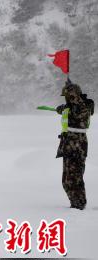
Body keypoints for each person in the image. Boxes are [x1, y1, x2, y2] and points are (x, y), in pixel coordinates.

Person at [56, 82, 93, 210]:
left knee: (75, 178)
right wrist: (63, 109)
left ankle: (79, 205)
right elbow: (70, 114)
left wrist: (71, 91)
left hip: (77, 146)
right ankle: (75, 204)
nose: (66, 98)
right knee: (66, 180)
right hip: (68, 144)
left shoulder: (82, 106)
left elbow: (79, 110)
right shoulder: (72, 107)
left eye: (68, 96)